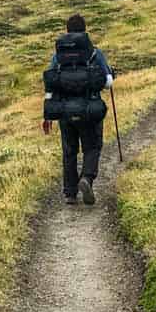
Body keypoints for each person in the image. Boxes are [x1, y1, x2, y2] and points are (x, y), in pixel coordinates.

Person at [41, 13, 114, 205]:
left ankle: (70, 193)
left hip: (64, 110)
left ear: (67, 31)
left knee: (69, 150)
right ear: (84, 30)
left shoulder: (58, 56)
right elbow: (107, 83)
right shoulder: (94, 53)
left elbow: (51, 84)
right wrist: (110, 73)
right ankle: (87, 179)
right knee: (92, 146)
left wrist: (47, 115)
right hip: (90, 110)